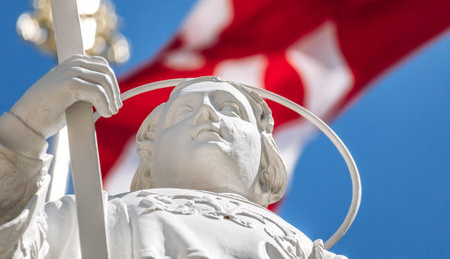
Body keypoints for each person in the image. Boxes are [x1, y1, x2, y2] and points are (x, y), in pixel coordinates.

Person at [0, 55, 346, 258]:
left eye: (230, 110)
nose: (206, 115)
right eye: (182, 112)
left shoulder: (304, 249)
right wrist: (23, 128)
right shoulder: (87, 216)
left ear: (264, 155)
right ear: (149, 151)